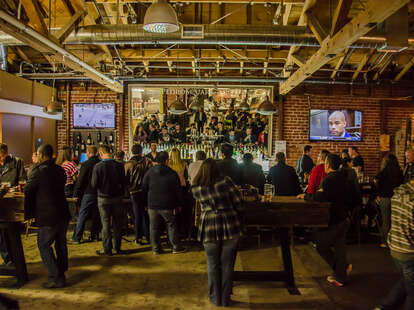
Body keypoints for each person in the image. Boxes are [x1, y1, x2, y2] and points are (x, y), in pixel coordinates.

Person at [191, 159, 243, 307]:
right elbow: (238, 202)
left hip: (208, 224)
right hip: (229, 223)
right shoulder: (226, 182)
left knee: (212, 264)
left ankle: (215, 298)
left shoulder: (196, 186)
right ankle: (225, 299)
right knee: (227, 264)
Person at [301, 154, 352, 287]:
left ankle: (341, 270)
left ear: (327, 164)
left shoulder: (329, 179)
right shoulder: (345, 177)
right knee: (340, 248)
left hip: (332, 218)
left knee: (321, 246)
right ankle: (341, 275)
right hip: (344, 217)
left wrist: (306, 197)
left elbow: (319, 197)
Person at [24, 144, 71, 288]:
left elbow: (28, 190)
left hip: (47, 214)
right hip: (62, 212)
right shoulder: (60, 170)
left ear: (43, 156)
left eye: (38, 154)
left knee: (43, 245)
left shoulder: (38, 172)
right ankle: (61, 273)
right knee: (61, 244)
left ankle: (55, 276)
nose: (37, 157)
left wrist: (28, 214)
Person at [374, 181, 414, 310]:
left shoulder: (397, 195)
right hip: (409, 251)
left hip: (395, 247)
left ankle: (384, 306)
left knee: (406, 280)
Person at [142, 151, 186, 255]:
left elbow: (144, 188)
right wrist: (179, 204)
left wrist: (145, 203)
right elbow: (177, 190)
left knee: (154, 227)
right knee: (171, 225)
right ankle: (175, 247)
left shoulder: (149, 172)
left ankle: (156, 249)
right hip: (168, 204)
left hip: (152, 204)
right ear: (167, 161)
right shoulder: (172, 173)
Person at [91, 145, 126, 256]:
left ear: (101, 153)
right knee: (117, 224)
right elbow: (124, 182)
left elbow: (94, 184)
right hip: (117, 198)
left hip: (103, 198)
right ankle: (117, 247)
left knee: (105, 224)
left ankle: (107, 249)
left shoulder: (98, 166)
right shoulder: (120, 165)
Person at [0, 143, 26, 266]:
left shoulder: (17, 162)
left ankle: (14, 260)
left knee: (11, 232)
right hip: (1, 201)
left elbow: (22, 181)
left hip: (12, 202)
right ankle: (8, 259)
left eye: (2, 156)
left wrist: (15, 188)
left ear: (6, 153)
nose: (1, 159)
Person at [71, 146, 101, 243]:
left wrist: (76, 193)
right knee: (96, 215)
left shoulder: (85, 164)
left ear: (88, 153)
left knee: (82, 214)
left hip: (88, 192)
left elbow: (80, 180)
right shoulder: (100, 163)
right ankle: (95, 236)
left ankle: (77, 237)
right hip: (99, 192)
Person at [125, 144, 153, 245]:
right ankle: (149, 237)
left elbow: (125, 179)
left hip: (134, 192)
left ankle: (138, 238)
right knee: (146, 214)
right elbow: (151, 175)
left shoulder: (128, 164)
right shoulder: (147, 161)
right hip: (145, 191)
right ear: (141, 151)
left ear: (132, 151)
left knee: (137, 215)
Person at [374, 153, 403, 247]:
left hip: (385, 198)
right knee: (395, 221)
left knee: (386, 220)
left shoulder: (384, 171)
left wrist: (377, 193)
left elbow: (376, 180)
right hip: (396, 198)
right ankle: (395, 241)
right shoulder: (399, 171)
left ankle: (385, 242)